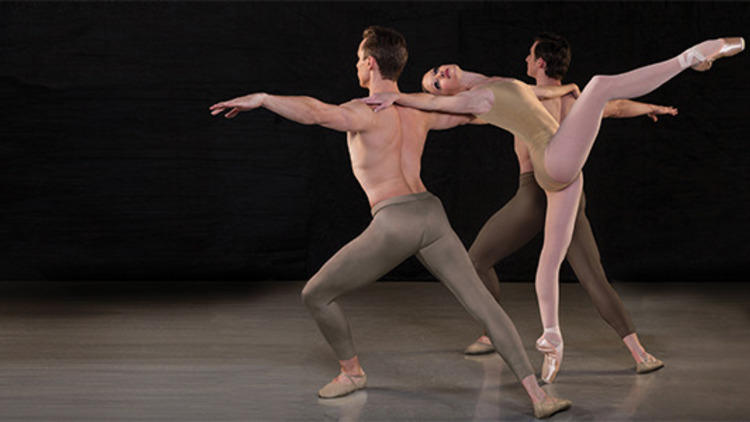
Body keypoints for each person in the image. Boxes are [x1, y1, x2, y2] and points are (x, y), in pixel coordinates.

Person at [209, 26, 572, 418]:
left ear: (369, 63)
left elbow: (314, 112)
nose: (356, 65)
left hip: (395, 221)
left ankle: (352, 373)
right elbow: (481, 109)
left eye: (358, 59)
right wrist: (550, 95)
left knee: (316, 294)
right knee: (485, 307)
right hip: (431, 214)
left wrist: (263, 99)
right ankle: (540, 397)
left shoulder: (363, 111)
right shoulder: (420, 108)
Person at [364, 36, 744, 384]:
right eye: (434, 79)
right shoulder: (478, 99)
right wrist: (400, 98)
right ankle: (689, 57)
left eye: (437, 70)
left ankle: (553, 339)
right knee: (599, 86)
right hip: (550, 171)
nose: (439, 74)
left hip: (561, 179)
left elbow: (600, 105)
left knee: (551, 263)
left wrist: (636, 104)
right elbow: (435, 102)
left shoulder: (499, 83)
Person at [464, 33, 676, 382]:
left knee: (476, 259)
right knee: (592, 275)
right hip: (570, 194)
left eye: (530, 56)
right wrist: (650, 107)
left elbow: (485, 102)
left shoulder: (526, 97)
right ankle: (640, 353)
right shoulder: (575, 101)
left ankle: (492, 333)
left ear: (541, 64)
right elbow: (617, 106)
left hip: (534, 194)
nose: (526, 61)